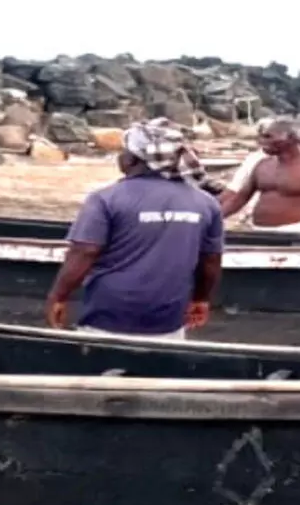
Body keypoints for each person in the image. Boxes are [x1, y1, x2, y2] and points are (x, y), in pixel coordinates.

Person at [45, 120, 224, 340]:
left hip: (109, 316)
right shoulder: (206, 203)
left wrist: (58, 296)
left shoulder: (104, 199)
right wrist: (201, 299)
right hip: (169, 319)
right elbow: (211, 260)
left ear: (132, 159)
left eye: (123, 151)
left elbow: (85, 252)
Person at [219, 117, 300, 232]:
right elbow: (240, 199)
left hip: (298, 231)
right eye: (262, 136)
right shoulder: (262, 165)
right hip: (258, 231)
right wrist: (215, 218)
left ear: (292, 139)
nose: (262, 140)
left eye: (268, 136)